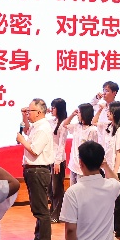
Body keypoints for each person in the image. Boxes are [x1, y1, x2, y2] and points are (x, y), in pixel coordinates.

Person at [62, 140, 120, 240]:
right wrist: (105, 166)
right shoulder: (112, 186)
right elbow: (116, 181)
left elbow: (70, 230)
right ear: (101, 161)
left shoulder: (73, 192)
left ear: (80, 163)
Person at [16, 99, 56, 240]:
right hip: (33, 170)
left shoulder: (43, 128)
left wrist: (22, 141)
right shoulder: (37, 126)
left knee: (41, 209)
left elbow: (34, 150)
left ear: (39, 112)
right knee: (37, 207)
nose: (28, 113)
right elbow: (27, 130)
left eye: (30, 111)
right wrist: (23, 117)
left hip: (38, 171)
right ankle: (38, 238)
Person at [102, 101, 120, 239]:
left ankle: (119, 230)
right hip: (108, 169)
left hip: (116, 170)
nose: (108, 113)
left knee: (117, 200)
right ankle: (111, 228)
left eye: (110, 111)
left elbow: (119, 152)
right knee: (110, 200)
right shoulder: (110, 127)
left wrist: (115, 172)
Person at [64, 103, 99, 194]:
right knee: (73, 193)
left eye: (79, 112)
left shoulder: (92, 130)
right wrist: (72, 115)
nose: (77, 114)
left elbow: (93, 150)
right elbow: (64, 124)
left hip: (84, 168)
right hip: (73, 166)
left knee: (83, 193)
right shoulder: (77, 126)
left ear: (85, 113)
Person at [48, 98, 70, 229]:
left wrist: (57, 162)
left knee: (57, 189)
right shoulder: (52, 122)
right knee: (50, 188)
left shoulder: (63, 124)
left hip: (58, 160)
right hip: (49, 159)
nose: (51, 109)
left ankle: (57, 214)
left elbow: (62, 144)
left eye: (54, 107)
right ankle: (53, 211)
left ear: (59, 109)